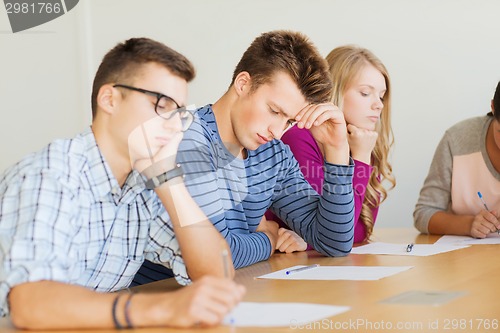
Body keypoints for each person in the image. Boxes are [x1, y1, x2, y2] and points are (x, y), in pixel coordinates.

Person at [0, 37, 245, 330]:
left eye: (179, 112)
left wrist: (169, 180)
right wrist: (162, 308)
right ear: (109, 100)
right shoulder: (50, 175)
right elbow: (30, 306)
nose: (173, 123)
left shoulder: (142, 185)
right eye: (161, 104)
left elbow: (218, 273)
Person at [133, 30, 355, 285]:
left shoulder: (274, 156)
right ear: (243, 83)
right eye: (274, 110)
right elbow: (218, 254)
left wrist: (337, 150)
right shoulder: (187, 137)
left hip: (220, 298)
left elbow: (335, 242)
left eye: (290, 120)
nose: (278, 131)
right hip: (152, 299)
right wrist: (270, 238)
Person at [265, 45, 396, 252]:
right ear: (335, 92)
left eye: (381, 96)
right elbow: (337, 231)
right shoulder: (300, 137)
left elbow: (362, 231)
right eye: (365, 93)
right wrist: (361, 158)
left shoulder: (363, 142)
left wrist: (307, 242)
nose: (378, 105)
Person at [414, 81, 500, 238]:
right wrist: (469, 224)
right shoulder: (456, 139)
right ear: (493, 108)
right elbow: (423, 214)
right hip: (463, 259)